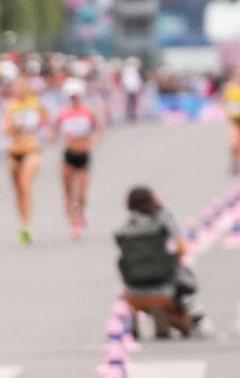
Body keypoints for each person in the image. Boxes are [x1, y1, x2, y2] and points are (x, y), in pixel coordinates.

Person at [115, 185, 200, 335]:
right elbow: (181, 247)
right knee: (185, 279)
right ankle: (190, 319)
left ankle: (137, 319)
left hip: (133, 288)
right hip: (164, 287)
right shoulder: (163, 218)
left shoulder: (126, 226)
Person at [1, 76, 48, 246]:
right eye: (15, 87)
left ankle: (28, 225)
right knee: (18, 190)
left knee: (25, 184)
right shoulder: (10, 106)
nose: (18, 89)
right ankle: (23, 223)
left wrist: (48, 130)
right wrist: (14, 126)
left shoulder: (36, 103)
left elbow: (47, 120)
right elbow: (4, 128)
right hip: (14, 152)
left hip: (31, 150)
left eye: (21, 86)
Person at [56, 79, 100, 238]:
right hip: (69, 154)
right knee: (68, 192)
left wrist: (94, 142)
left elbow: (98, 128)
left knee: (81, 194)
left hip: (84, 155)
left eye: (76, 96)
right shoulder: (63, 113)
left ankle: (80, 212)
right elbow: (53, 129)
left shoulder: (88, 112)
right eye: (71, 97)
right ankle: (74, 224)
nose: (73, 99)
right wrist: (53, 135)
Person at [222, 68, 240, 176]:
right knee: (234, 143)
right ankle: (235, 163)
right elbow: (224, 101)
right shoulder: (228, 87)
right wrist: (227, 112)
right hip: (234, 120)